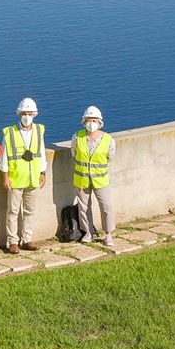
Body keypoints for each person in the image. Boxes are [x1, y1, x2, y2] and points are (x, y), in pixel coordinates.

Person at [0, 97, 47, 254]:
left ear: (34, 115)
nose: (27, 116)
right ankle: (12, 241)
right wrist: (5, 177)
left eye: (29, 113)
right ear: (19, 114)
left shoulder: (39, 131)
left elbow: (41, 153)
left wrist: (42, 172)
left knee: (29, 211)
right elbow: (4, 157)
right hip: (16, 178)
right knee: (13, 212)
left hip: (33, 178)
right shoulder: (9, 133)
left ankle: (27, 239)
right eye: (24, 113)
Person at [72, 106, 115, 247]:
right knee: (84, 207)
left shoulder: (108, 139)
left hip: (100, 180)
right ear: (84, 122)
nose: (91, 123)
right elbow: (74, 153)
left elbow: (110, 157)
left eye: (94, 120)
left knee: (106, 206)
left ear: (99, 122)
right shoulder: (77, 137)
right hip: (82, 178)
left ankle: (108, 234)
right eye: (89, 120)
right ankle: (87, 232)